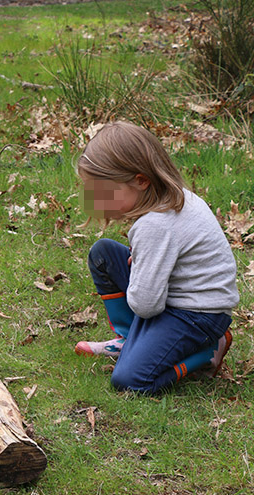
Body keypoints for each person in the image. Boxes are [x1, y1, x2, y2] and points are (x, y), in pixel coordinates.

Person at [73, 121, 239, 394]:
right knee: (103, 254)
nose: (97, 201)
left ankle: (206, 352)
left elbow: (146, 306)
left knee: (129, 380)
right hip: (179, 297)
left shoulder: (155, 225)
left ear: (141, 180)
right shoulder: (176, 197)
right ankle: (129, 339)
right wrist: (142, 264)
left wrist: (139, 267)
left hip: (198, 314)